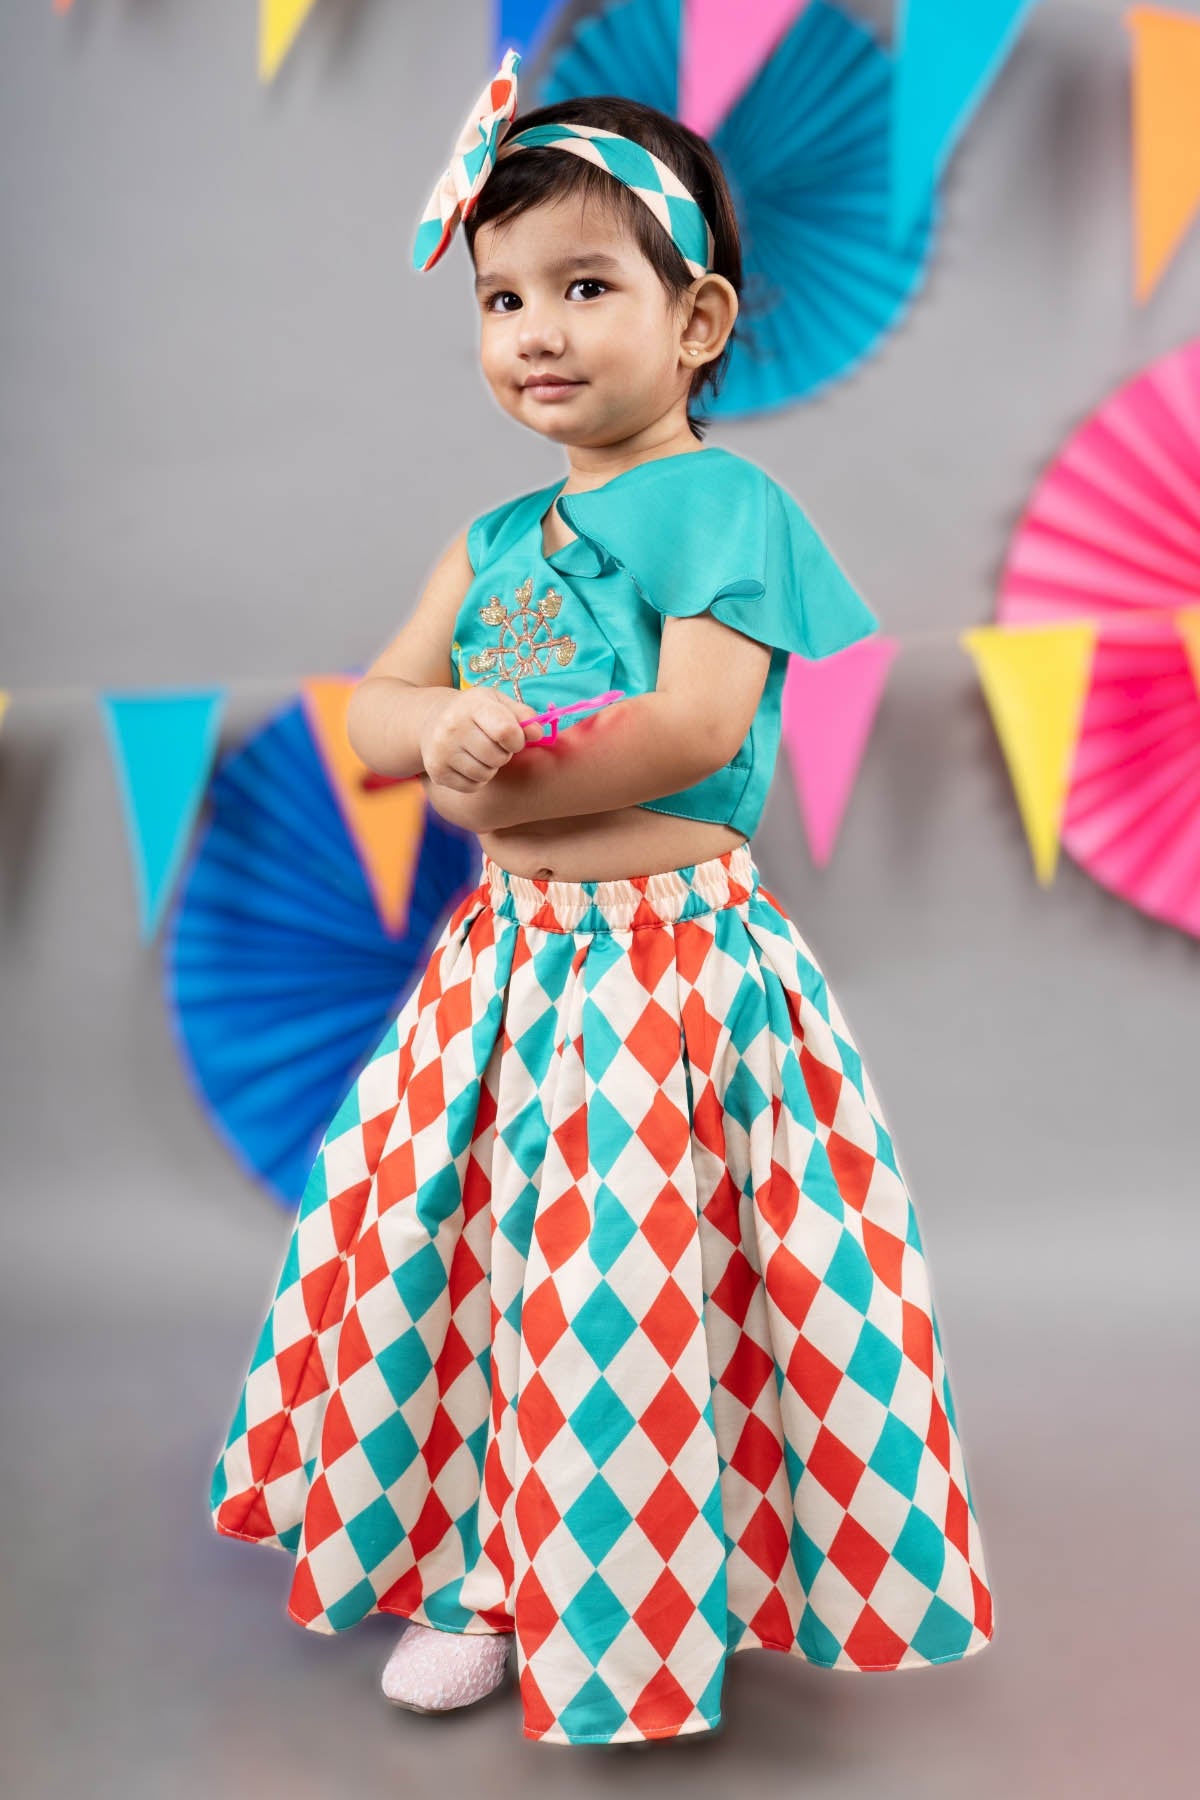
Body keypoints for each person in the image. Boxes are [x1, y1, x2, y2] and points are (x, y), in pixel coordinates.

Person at [209, 47, 995, 1749]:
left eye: (584, 286)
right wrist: (441, 728)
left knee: (645, 1284)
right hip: (510, 967)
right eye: (502, 299)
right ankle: (495, 1572)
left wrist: (493, 774)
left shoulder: (731, 506)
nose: (537, 333)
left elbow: (701, 728)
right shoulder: (486, 543)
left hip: (677, 976)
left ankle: (658, 1582)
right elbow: (372, 718)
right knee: (489, 1267)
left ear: (698, 319)